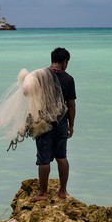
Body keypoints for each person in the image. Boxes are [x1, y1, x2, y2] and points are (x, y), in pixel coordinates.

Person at [32, 47, 76, 201]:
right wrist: (71, 125)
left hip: (43, 123)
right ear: (64, 62)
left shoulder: (39, 76)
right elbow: (71, 105)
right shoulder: (69, 79)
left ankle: (43, 193)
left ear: (52, 60)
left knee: (44, 159)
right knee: (61, 157)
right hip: (62, 123)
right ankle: (62, 191)